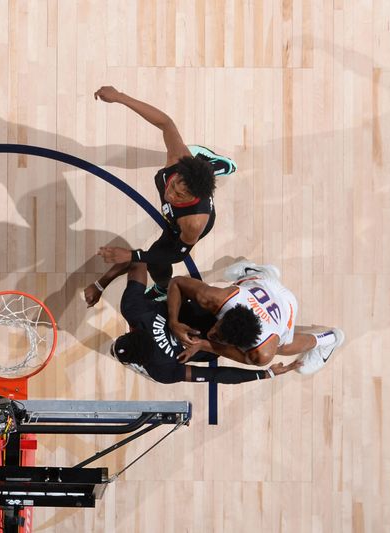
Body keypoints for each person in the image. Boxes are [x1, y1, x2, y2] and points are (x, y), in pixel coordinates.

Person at [93, 85, 236, 300]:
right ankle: (216, 164)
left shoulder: (194, 222)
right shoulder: (179, 160)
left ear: (193, 197)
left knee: (157, 262)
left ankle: (218, 165)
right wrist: (120, 97)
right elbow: (166, 123)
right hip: (189, 171)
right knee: (187, 154)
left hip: (179, 230)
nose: (171, 194)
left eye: (180, 195)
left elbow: (178, 253)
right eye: (173, 185)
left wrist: (132, 255)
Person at [84, 260, 300, 384]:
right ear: (130, 331)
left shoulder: (162, 370)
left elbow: (215, 375)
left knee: (272, 349)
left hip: (224, 328)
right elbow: (138, 264)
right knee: (267, 347)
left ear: (143, 361)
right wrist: (100, 285)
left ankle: (257, 277)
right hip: (222, 321)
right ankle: (259, 279)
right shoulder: (133, 310)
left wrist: (266, 373)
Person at [165, 261, 345, 375]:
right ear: (225, 315)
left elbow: (245, 359)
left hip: (286, 305)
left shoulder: (262, 351)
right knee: (238, 282)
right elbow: (177, 282)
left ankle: (330, 339)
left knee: (282, 347)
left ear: (241, 344)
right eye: (216, 329)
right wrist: (173, 322)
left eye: (220, 338)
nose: (212, 334)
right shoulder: (218, 298)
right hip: (262, 285)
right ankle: (258, 272)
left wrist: (204, 344)